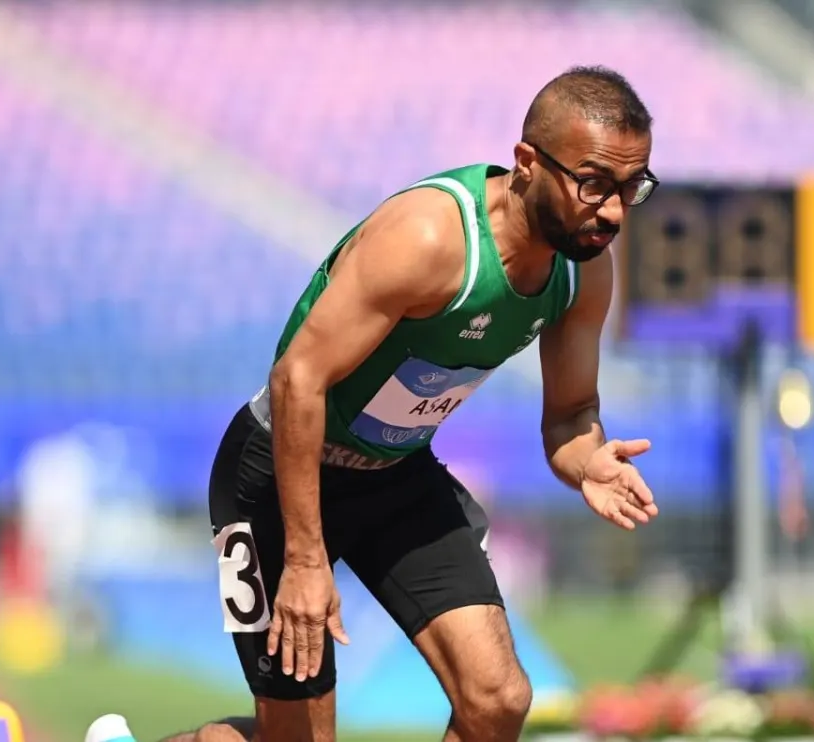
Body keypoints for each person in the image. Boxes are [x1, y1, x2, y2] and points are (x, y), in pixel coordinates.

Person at [87, 64, 661, 742]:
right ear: (528, 162)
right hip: (278, 473)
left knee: (497, 699)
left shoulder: (583, 267)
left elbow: (570, 415)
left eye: (632, 187)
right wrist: (305, 560)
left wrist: (588, 461)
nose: (613, 212)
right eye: (594, 184)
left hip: (396, 476)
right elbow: (297, 380)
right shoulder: (429, 240)